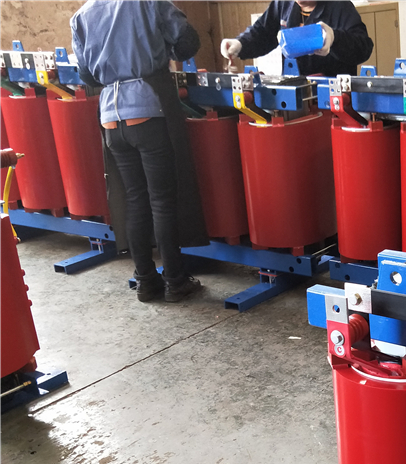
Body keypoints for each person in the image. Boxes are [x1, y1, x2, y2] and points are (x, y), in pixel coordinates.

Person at [71, 0, 207, 303]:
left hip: (110, 118)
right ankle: (175, 281)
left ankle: (145, 281)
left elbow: (87, 75)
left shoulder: (82, 16)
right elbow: (188, 42)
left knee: (135, 198)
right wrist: (161, 49)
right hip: (148, 109)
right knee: (162, 200)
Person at [221, 1, 373, 77]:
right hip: (294, 95)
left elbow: (363, 47)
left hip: (333, 96)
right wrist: (240, 44)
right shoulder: (282, 4)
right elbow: (262, 33)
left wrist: (335, 38)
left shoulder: (340, 6)